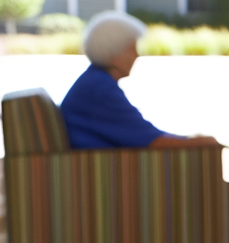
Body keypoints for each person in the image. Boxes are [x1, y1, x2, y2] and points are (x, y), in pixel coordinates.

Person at [59, 11, 220, 150]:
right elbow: (150, 141)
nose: (137, 56)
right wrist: (197, 143)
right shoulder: (99, 89)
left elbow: (141, 134)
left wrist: (188, 140)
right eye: (132, 49)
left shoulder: (95, 81)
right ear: (114, 53)